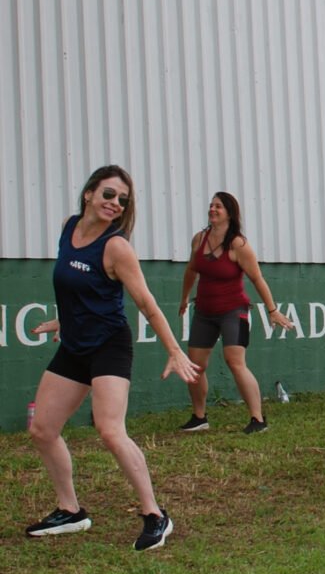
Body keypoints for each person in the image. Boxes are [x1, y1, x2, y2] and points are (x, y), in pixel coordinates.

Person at [26, 165, 200, 551]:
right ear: (89, 194)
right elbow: (75, 286)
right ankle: (70, 510)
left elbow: (147, 304)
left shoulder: (116, 247)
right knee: (42, 430)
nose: (115, 203)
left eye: (122, 199)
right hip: (74, 343)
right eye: (108, 194)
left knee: (109, 429)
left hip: (109, 345)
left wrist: (174, 350)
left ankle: (155, 514)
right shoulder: (68, 227)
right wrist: (64, 320)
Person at [178, 192, 294, 433]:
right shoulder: (199, 239)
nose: (212, 209)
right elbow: (191, 270)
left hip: (234, 311)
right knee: (195, 366)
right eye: (211, 205)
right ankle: (199, 417)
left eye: (218, 206)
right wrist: (184, 297)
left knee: (235, 362)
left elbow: (257, 279)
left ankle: (258, 419)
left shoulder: (238, 245)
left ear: (229, 213)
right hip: (204, 312)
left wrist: (273, 310)